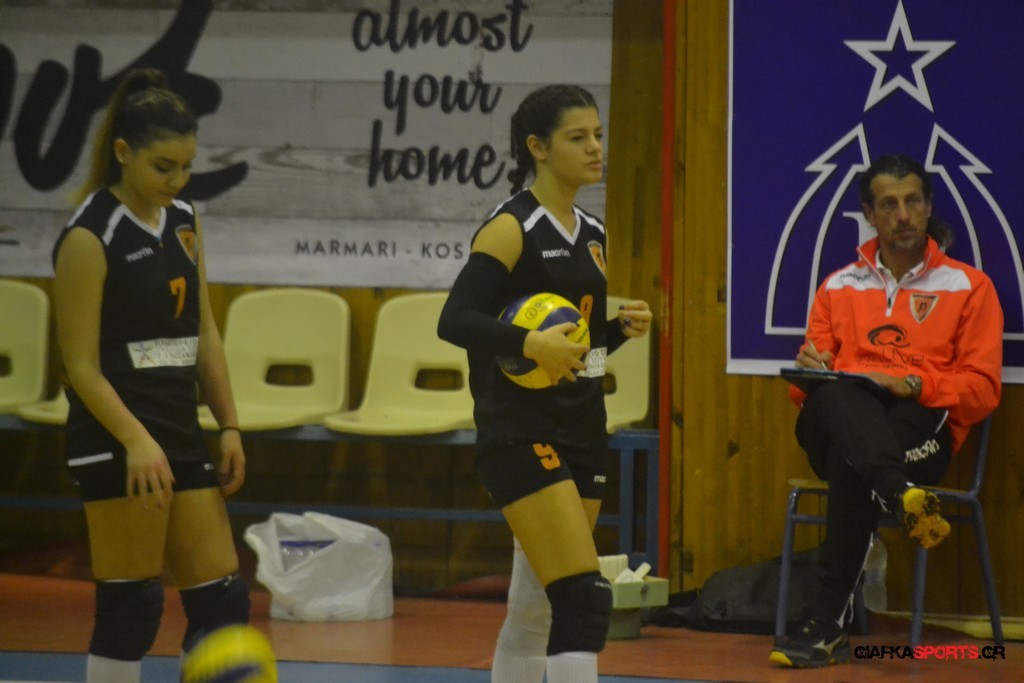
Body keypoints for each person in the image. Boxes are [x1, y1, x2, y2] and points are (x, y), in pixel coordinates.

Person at [438, 84, 652, 683]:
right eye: (578, 137)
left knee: (537, 610)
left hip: (583, 426)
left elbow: (573, 349)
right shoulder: (512, 227)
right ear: (537, 147)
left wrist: (616, 331)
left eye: (598, 135)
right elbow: (454, 320)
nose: (596, 148)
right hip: (520, 429)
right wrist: (530, 344)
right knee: (584, 600)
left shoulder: (591, 230)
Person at [52, 68, 250, 683]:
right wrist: (136, 441)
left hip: (178, 429)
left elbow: (204, 329)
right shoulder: (90, 236)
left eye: (187, 166)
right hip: (117, 438)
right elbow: (79, 365)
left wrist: (229, 424)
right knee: (132, 608)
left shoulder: (184, 218)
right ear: (122, 152)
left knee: (222, 602)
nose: (178, 180)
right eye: (164, 167)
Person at [770, 154, 1003, 668]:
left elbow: (984, 390)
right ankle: (899, 496)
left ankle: (825, 625)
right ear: (869, 213)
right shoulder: (838, 286)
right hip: (842, 419)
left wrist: (912, 383)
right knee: (836, 392)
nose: (902, 215)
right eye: (889, 204)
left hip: (921, 426)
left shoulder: (969, 287)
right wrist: (813, 370)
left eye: (913, 201)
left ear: (929, 206)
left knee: (852, 463)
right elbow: (808, 394)